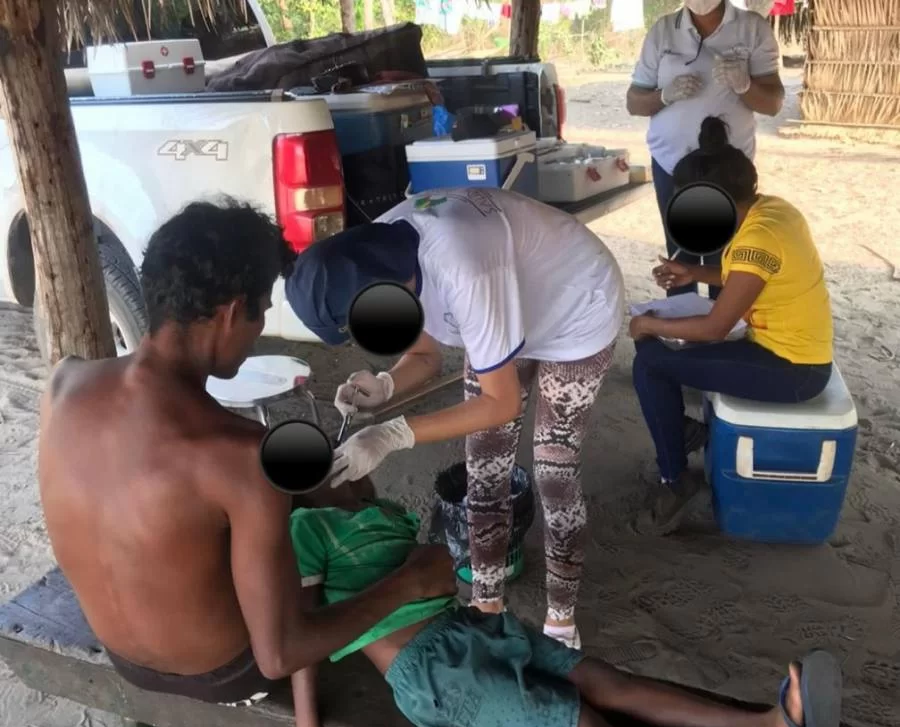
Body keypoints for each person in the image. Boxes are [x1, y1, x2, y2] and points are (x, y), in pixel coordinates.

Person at [37, 198, 457, 727]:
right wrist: (409, 583)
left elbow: (157, 483)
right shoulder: (241, 455)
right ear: (234, 312)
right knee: (335, 542)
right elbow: (280, 655)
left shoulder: (65, 382)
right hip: (223, 674)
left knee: (297, 504)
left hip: (123, 657)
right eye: (259, 310)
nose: (257, 331)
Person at [288, 494, 843, 727]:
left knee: (607, 682)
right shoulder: (304, 529)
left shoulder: (376, 506)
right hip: (433, 673)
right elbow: (301, 637)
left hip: (471, 629)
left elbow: (434, 570)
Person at [285, 187, 627, 650]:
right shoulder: (381, 249)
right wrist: (386, 384)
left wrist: (394, 433)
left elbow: (499, 402)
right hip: (508, 304)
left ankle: (561, 622)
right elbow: (425, 352)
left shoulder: (464, 266)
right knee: (484, 468)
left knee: (554, 469)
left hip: (573, 306)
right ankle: (487, 608)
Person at [629, 116, 834, 534]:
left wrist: (650, 324)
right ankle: (681, 432)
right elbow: (751, 278)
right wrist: (693, 274)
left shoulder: (755, 241)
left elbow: (714, 328)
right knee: (655, 352)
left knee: (650, 359)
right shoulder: (772, 210)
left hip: (793, 369)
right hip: (789, 351)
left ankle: (675, 479)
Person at [626, 0, 784, 299]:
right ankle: (684, 332)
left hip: (729, 171)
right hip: (671, 164)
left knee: (726, 256)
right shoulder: (663, 32)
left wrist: (745, 85)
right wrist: (665, 95)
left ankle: (721, 331)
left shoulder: (752, 28)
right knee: (680, 255)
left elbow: (773, 104)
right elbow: (634, 102)